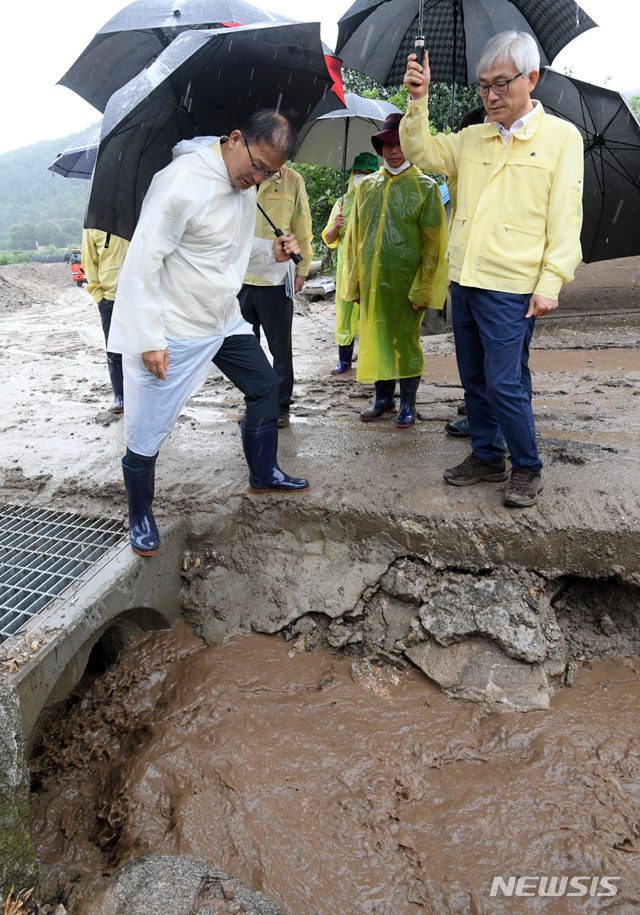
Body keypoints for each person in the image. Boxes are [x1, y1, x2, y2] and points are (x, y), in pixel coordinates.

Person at [107, 110, 308, 557]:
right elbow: (143, 262)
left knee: (266, 386)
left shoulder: (241, 188)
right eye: (256, 166)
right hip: (174, 326)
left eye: (269, 174)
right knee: (146, 430)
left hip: (221, 320)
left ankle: (263, 473)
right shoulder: (181, 183)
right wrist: (149, 338)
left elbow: (224, 255)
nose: (257, 179)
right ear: (235, 139)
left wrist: (269, 252)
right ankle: (139, 513)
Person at [402, 30, 584, 506]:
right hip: (464, 280)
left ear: (532, 78)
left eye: (501, 83)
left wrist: (550, 283)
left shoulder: (562, 139)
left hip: (513, 286)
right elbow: (420, 151)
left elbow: (566, 218)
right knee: (475, 379)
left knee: (506, 382)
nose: (491, 95)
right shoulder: (470, 138)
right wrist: (417, 100)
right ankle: (486, 455)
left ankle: (526, 466)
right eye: (483, 86)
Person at [342, 114, 448, 427]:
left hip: (406, 284)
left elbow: (434, 247)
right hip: (373, 281)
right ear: (380, 148)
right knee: (376, 338)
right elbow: (355, 239)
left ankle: (408, 404)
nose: (394, 150)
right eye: (387, 144)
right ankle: (383, 398)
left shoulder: (426, 188)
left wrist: (424, 288)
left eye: (400, 143)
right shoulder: (367, 188)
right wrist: (355, 284)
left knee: (405, 341)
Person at [238, 165, 313, 428]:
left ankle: (281, 404)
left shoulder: (292, 179)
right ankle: (256, 401)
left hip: (277, 277)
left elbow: (302, 226)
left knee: (280, 347)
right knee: (246, 347)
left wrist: (302, 269)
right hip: (239, 276)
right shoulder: (238, 175)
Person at [322, 152, 379, 374]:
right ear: (351, 175)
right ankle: (344, 360)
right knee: (345, 313)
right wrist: (336, 226)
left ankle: (371, 359)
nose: (361, 177)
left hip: (373, 268)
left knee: (372, 313)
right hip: (346, 270)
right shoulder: (342, 203)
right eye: (358, 172)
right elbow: (328, 239)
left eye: (367, 173)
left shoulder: (381, 201)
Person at [81, 229, 129, 413]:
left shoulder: (138, 213)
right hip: (110, 298)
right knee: (115, 350)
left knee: (148, 348)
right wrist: (98, 296)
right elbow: (89, 261)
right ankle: (120, 396)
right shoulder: (93, 226)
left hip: (141, 296)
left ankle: (149, 398)